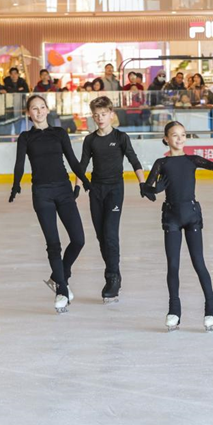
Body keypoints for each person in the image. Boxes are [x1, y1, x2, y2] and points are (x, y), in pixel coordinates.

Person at [143, 121, 213, 331]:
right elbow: (147, 190)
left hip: (191, 215)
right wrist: (156, 188)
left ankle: (212, 310)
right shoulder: (161, 163)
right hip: (171, 217)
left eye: (183, 134)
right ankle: (174, 310)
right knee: (173, 265)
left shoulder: (192, 160)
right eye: (174, 135)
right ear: (166, 138)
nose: (179, 138)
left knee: (199, 263)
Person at [9, 95, 91, 314]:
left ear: (47, 109)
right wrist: (16, 184)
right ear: (29, 113)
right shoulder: (26, 138)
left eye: (42, 107)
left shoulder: (59, 133)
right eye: (34, 109)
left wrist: (85, 180)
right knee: (53, 244)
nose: (39, 111)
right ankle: (62, 291)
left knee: (79, 239)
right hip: (42, 193)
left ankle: (58, 277)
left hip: (64, 190)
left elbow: (73, 160)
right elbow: (19, 164)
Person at [76, 96, 146, 303]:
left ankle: (112, 278)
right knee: (100, 236)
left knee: (110, 234)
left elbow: (134, 160)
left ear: (111, 114)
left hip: (115, 189)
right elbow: (83, 164)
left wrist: (142, 183)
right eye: (96, 115)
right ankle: (114, 272)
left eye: (103, 114)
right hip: (96, 190)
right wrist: (77, 187)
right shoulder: (90, 140)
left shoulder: (121, 137)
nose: (100, 118)